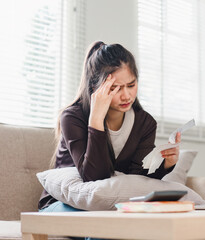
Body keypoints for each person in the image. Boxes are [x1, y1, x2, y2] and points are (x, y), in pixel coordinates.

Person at [38, 41, 180, 212]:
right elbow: (93, 178)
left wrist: (166, 164)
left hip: (109, 206)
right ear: (95, 88)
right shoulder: (73, 117)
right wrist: (96, 119)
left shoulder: (144, 123)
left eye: (131, 85)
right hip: (61, 204)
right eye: (115, 88)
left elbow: (137, 177)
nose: (126, 95)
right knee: (102, 225)